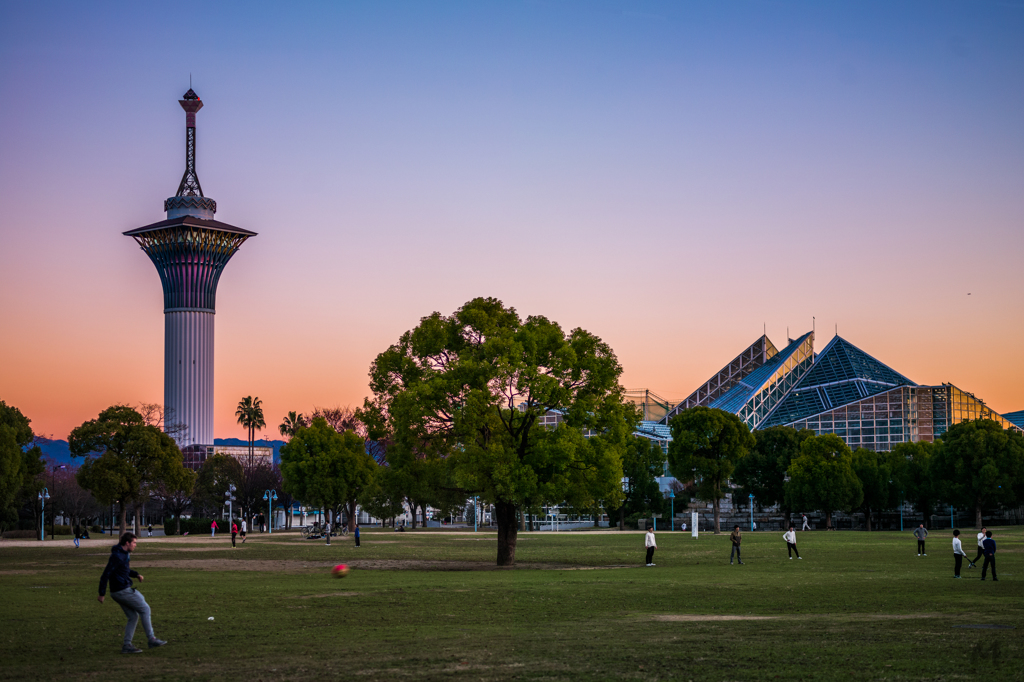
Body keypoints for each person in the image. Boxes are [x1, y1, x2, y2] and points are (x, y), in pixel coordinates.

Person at [98, 532, 167, 654]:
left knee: (133, 616)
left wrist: (136, 574)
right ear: (127, 543)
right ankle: (151, 639)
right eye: (134, 543)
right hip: (122, 590)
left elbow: (123, 570)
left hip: (118, 591)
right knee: (145, 609)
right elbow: (106, 574)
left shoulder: (123, 554)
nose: (135, 545)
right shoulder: (118, 556)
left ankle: (127, 645)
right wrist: (101, 593)